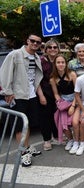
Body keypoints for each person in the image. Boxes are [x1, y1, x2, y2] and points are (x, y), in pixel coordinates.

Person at [0, 33, 43, 167]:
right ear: (27, 41)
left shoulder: (36, 57)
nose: (35, 44)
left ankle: (28, 147)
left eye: (38, 42)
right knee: (19, 126)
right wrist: (7, 92)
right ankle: (23, 154)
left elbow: (35, 77)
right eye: (33, 41)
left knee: (27, 123)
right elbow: (4, 73)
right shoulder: (15, 54)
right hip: (18, 95)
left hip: (31, 95)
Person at [50, 54, 77, 153]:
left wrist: (73, 105)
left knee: (74, 122)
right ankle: (70, 140)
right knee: (63, 123)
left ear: (66, 64)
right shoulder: (53, 79)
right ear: (55, 64)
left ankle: (77, 141)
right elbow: (56, 94)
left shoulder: (72, 74)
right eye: (58, 62)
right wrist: (60, 103)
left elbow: (78, 92)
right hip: (63, 101)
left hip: (75, 100)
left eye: (62, 62)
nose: (61, 64)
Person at [39, 39, 60, 151]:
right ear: (46, 49)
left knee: (55, 116)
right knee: (45, 117)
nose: (52, 49)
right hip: (45, 93)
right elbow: (36, 81)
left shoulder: (59, 60)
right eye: (50, 47)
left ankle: (56, 136)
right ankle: (47, 140)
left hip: (57, 94)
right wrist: (41, 95)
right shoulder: (41, 61)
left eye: (55, 47)